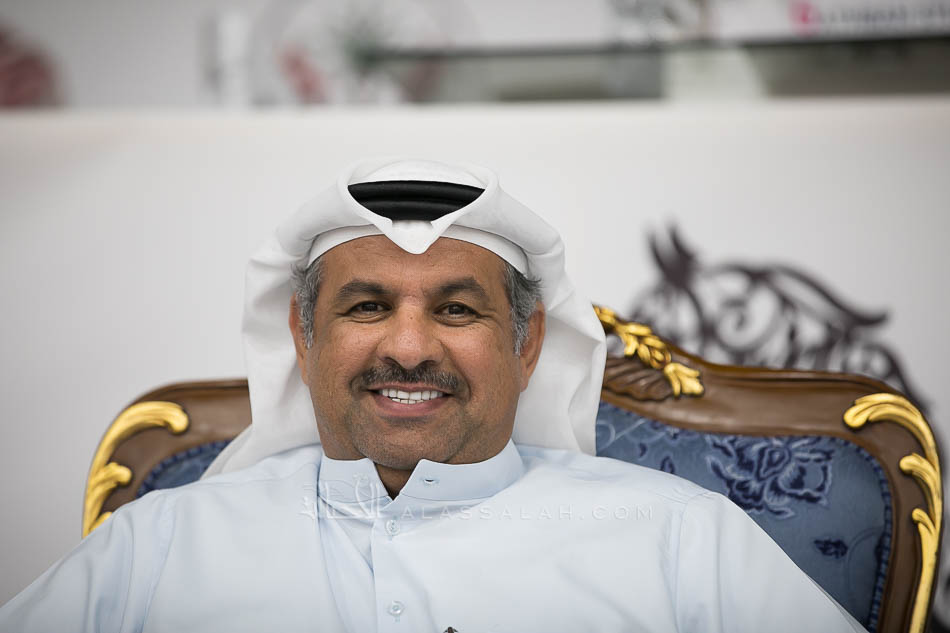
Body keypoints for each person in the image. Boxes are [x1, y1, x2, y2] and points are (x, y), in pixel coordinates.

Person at [0, 158, 864, 632]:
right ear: (302, 335)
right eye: (366, 306)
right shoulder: (155, 549)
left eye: (455, 309)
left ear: (527, 343)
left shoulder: (682, 541)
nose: (409, 348)